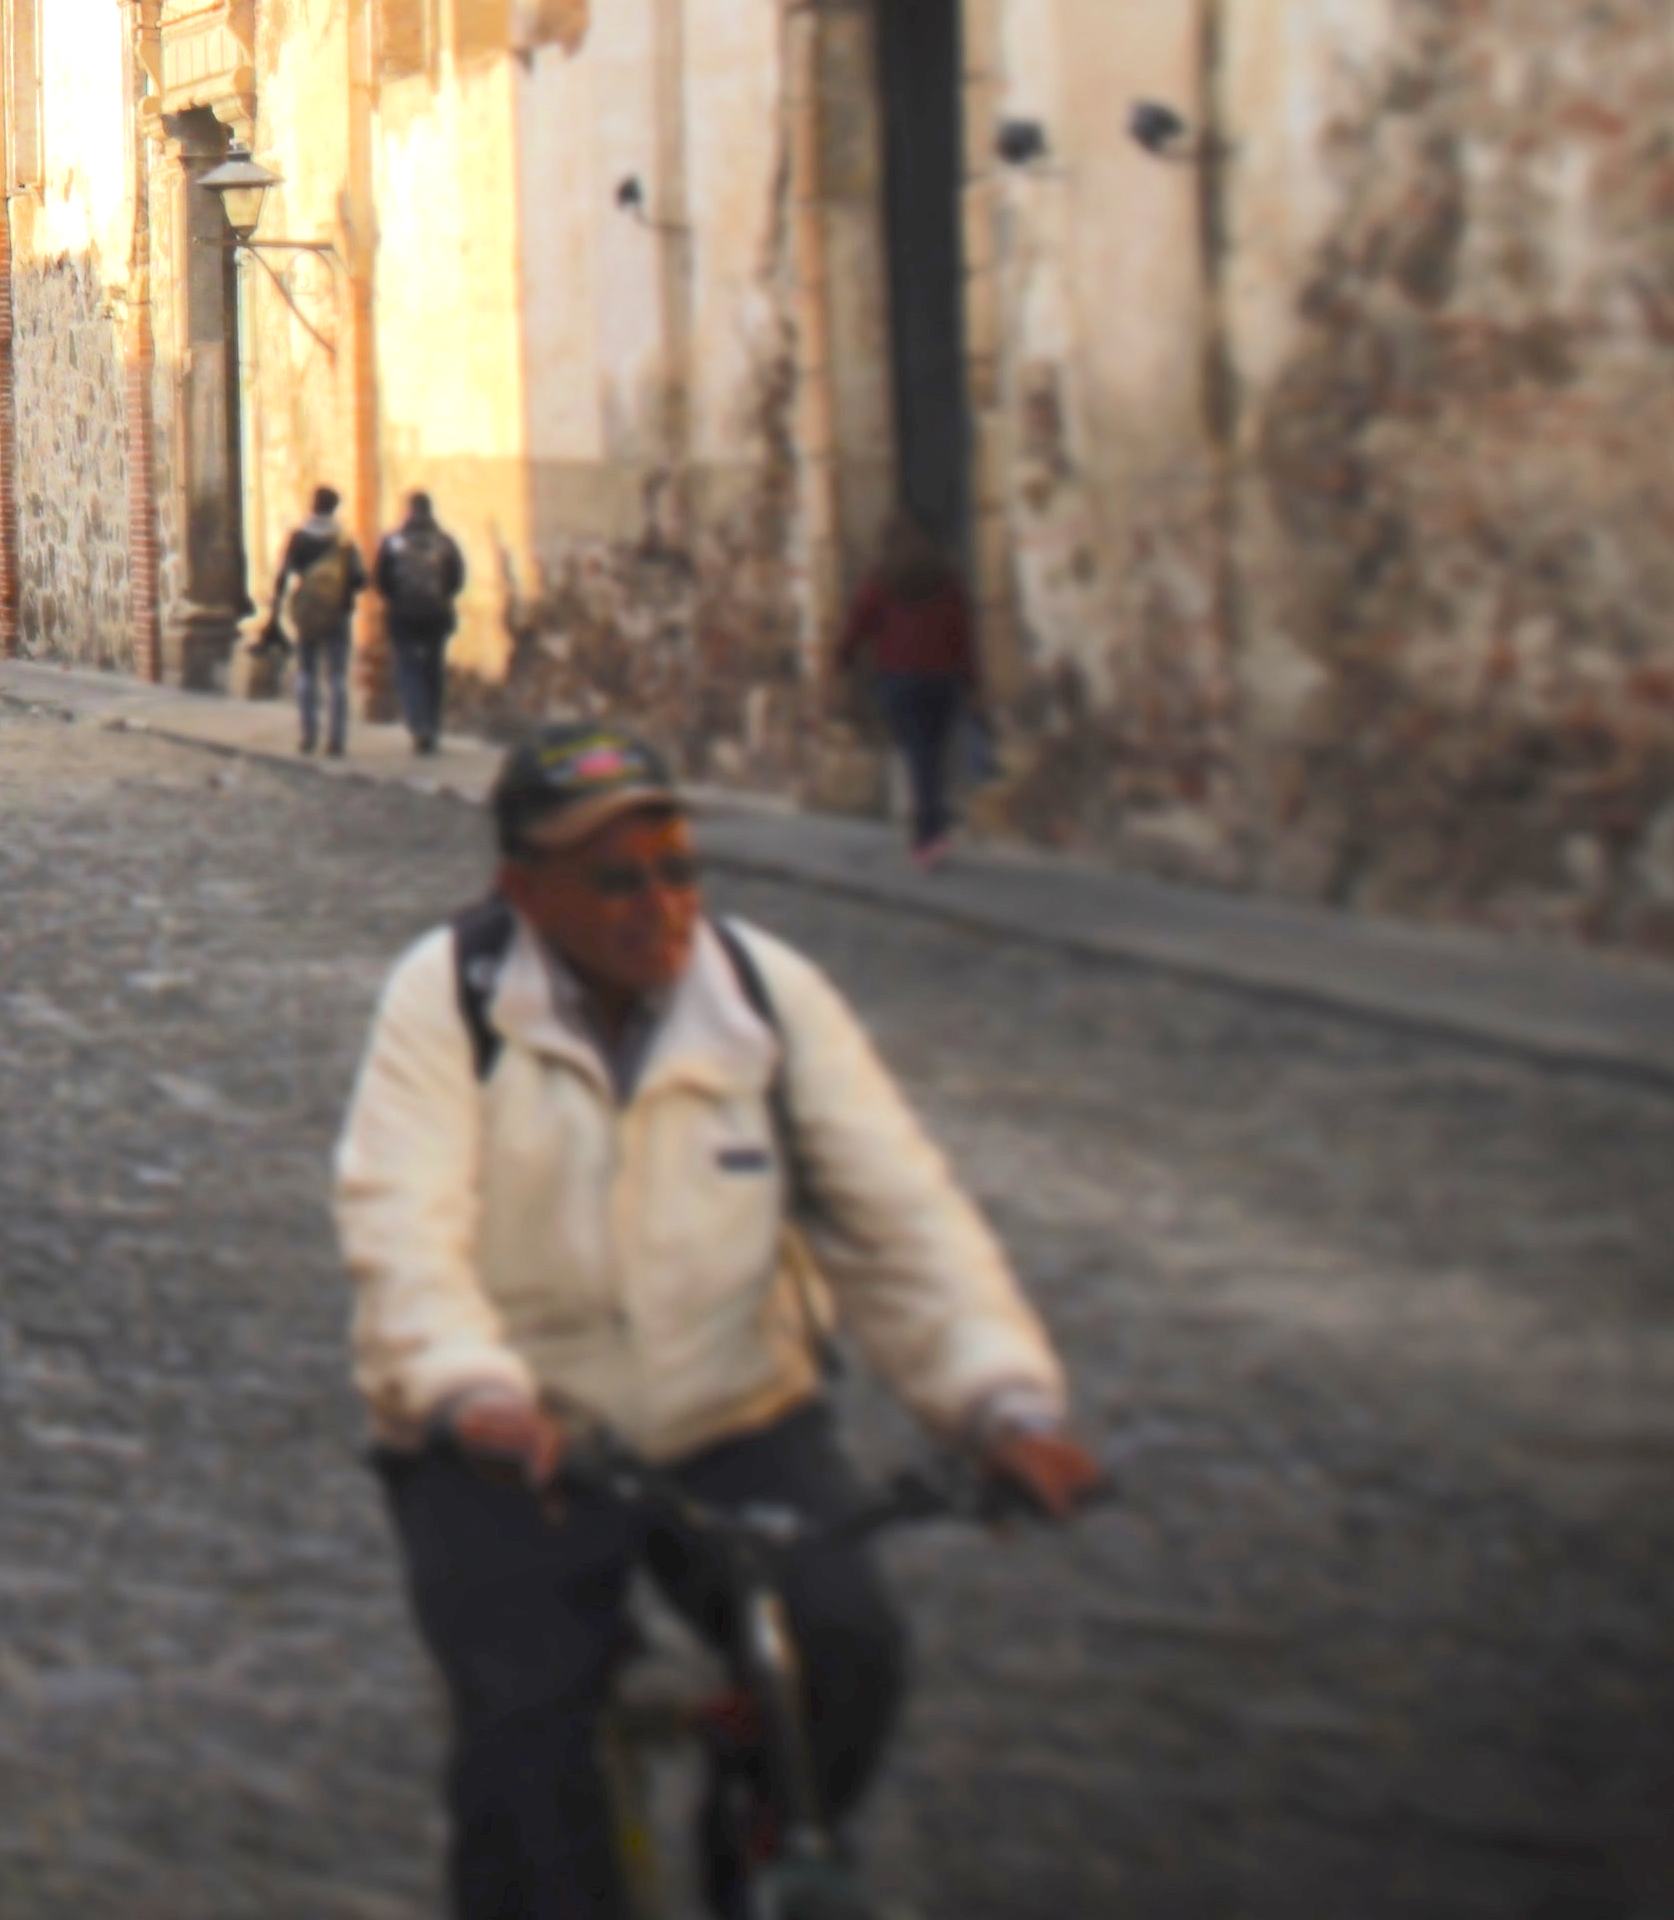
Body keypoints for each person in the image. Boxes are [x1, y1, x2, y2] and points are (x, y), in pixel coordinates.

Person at [336, 721, 1102, 1920]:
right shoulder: (448, 1000)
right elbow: (400, 1221)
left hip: (731, 1407)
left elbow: (899, 1218)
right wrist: (466, 1386)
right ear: (521, 890)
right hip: (517, 1430)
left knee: (844, 1647)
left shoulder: (761, 995)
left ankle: (754, 1854)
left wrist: (1000, 1400)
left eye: (677, 866)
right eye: (614, 876)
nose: (656, 902)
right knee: (527, 1772)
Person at [837, 515, 980, 867]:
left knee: (918, 754)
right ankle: (934, 826)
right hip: (942, 679)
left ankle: (927, 835)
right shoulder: (948, 580)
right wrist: (972, 679)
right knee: (932, 754)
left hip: (899, 679)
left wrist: (842, 657)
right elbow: (962, 632)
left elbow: (859, 622)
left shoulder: (882, 580)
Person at [262, 485, 363, 756]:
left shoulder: (300, 537)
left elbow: (283, 574)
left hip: (308, 613)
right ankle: (336, 739)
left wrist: (276, 608)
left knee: (306, 673)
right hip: (337, 614)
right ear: (334, 507)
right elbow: (360, 578)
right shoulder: (343, 539)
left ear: (313, 505)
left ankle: (308, 735)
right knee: (337, 677)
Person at [374, 490, 469, 754]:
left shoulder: (394, 542)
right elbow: (457, 578)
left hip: (402, 614)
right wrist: (443, 598)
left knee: (408, 669)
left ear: (409, 510)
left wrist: (395, 600)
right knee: (434, 669)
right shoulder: (444, 542)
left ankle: (419, 726)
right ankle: (434, 725)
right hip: (437, 614)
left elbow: (381, 578)